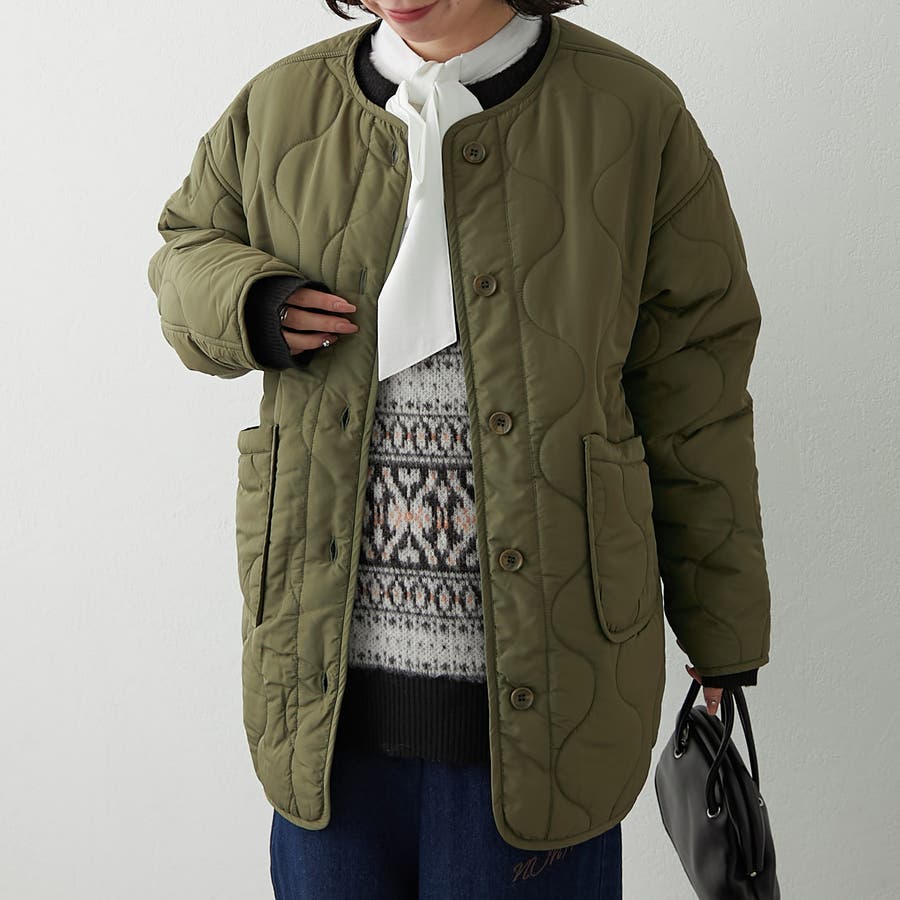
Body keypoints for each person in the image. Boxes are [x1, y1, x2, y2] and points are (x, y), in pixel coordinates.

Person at [146, 0, 771, 896]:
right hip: (319, 705)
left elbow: (696, 392)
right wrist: (248, 301)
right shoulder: (280, 105)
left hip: (551, 709)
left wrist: (724, 631)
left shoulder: (632, 112)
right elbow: (183, 248)